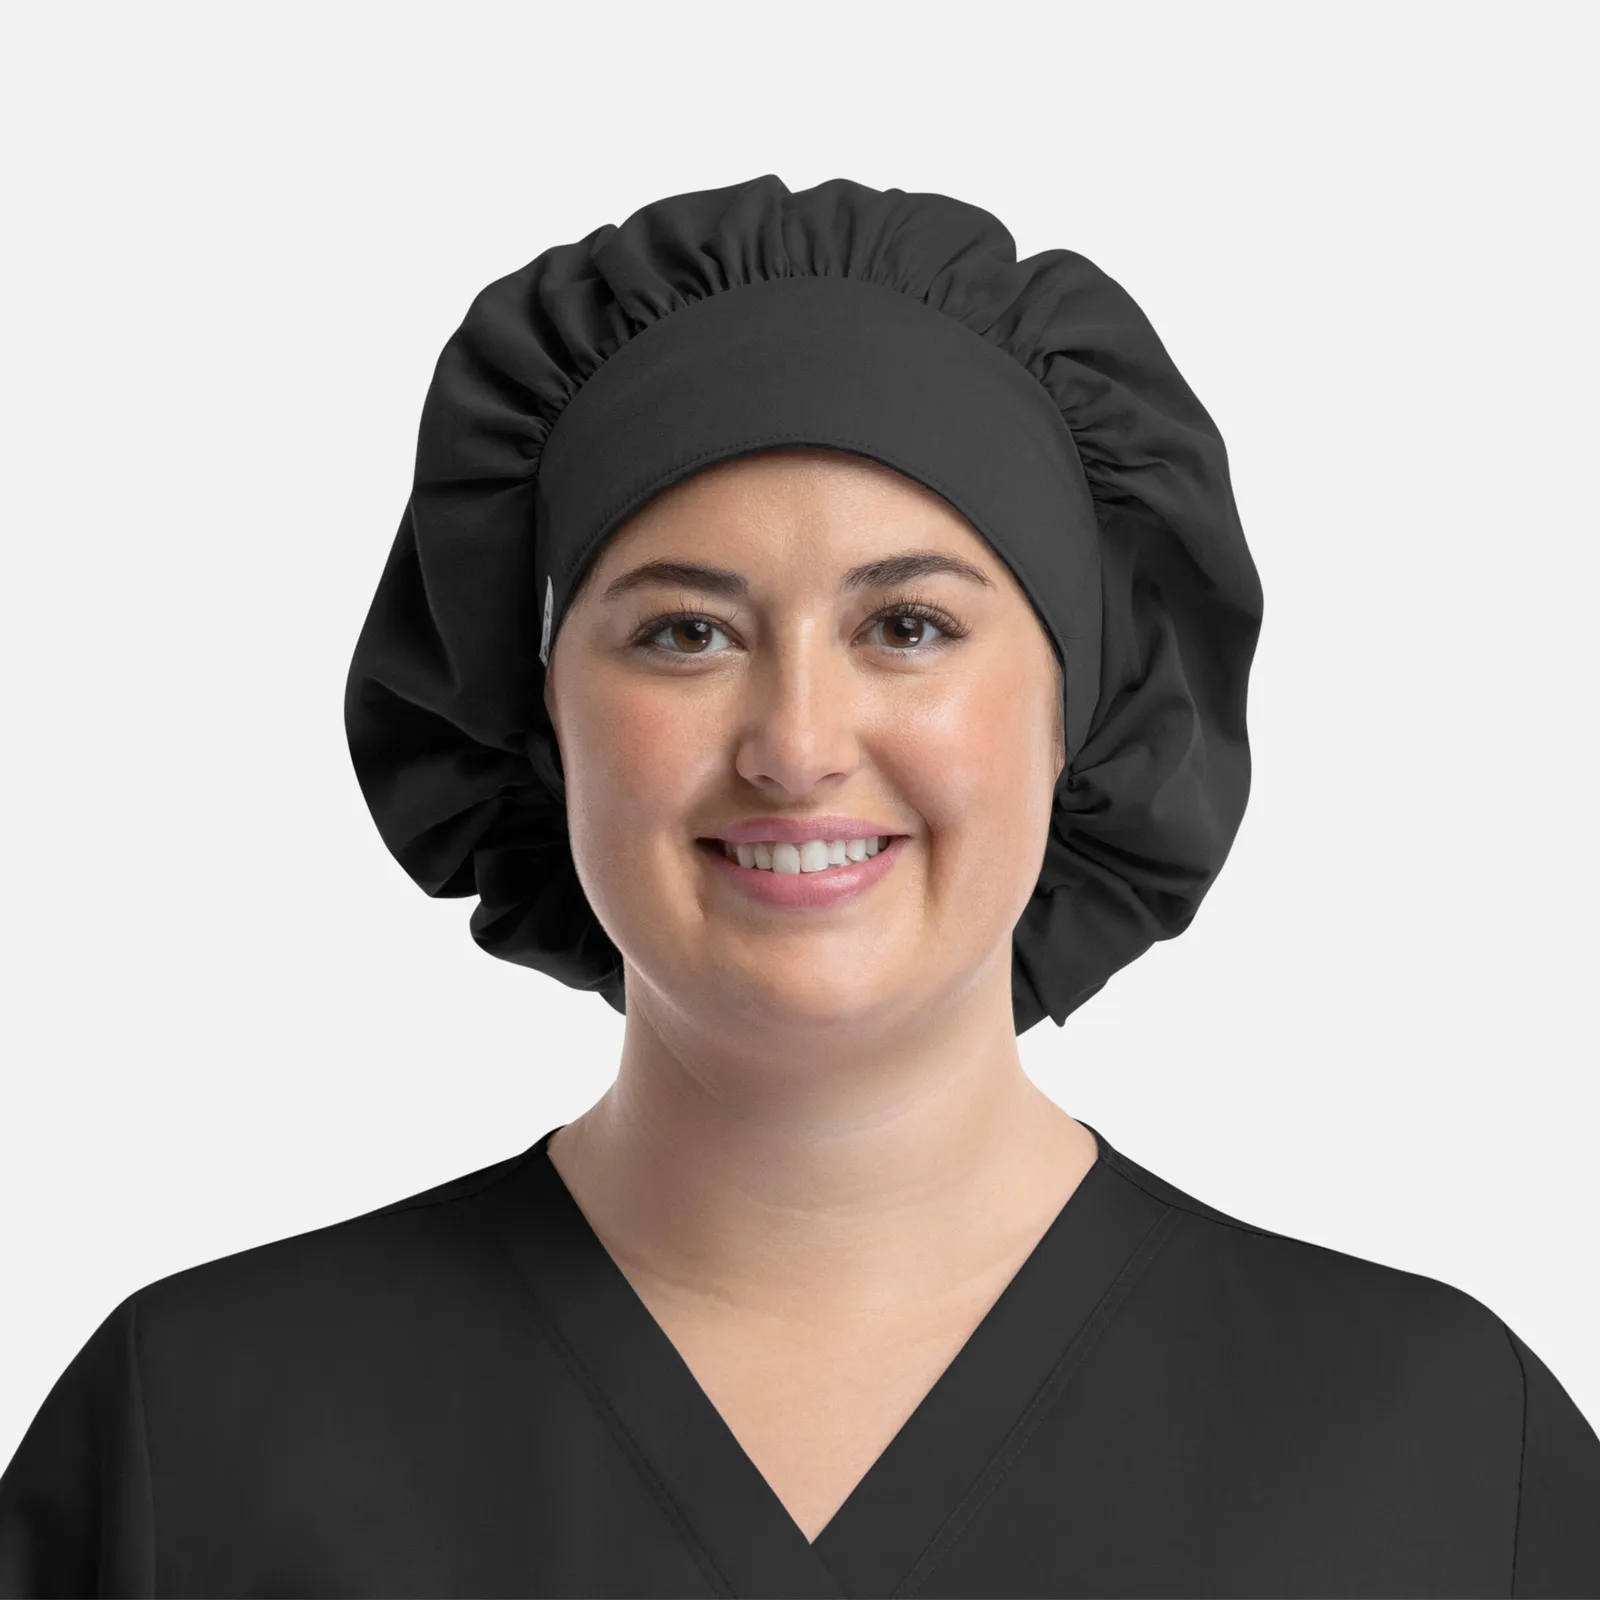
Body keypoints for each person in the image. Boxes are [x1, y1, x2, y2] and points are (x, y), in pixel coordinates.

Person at [2, 173, 1596, 1598]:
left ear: (1083, 709)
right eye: (684, 632)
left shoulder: (1448, 1452)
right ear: (539, 719)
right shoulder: (195, 1442)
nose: (797, 744)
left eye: (908, 627)